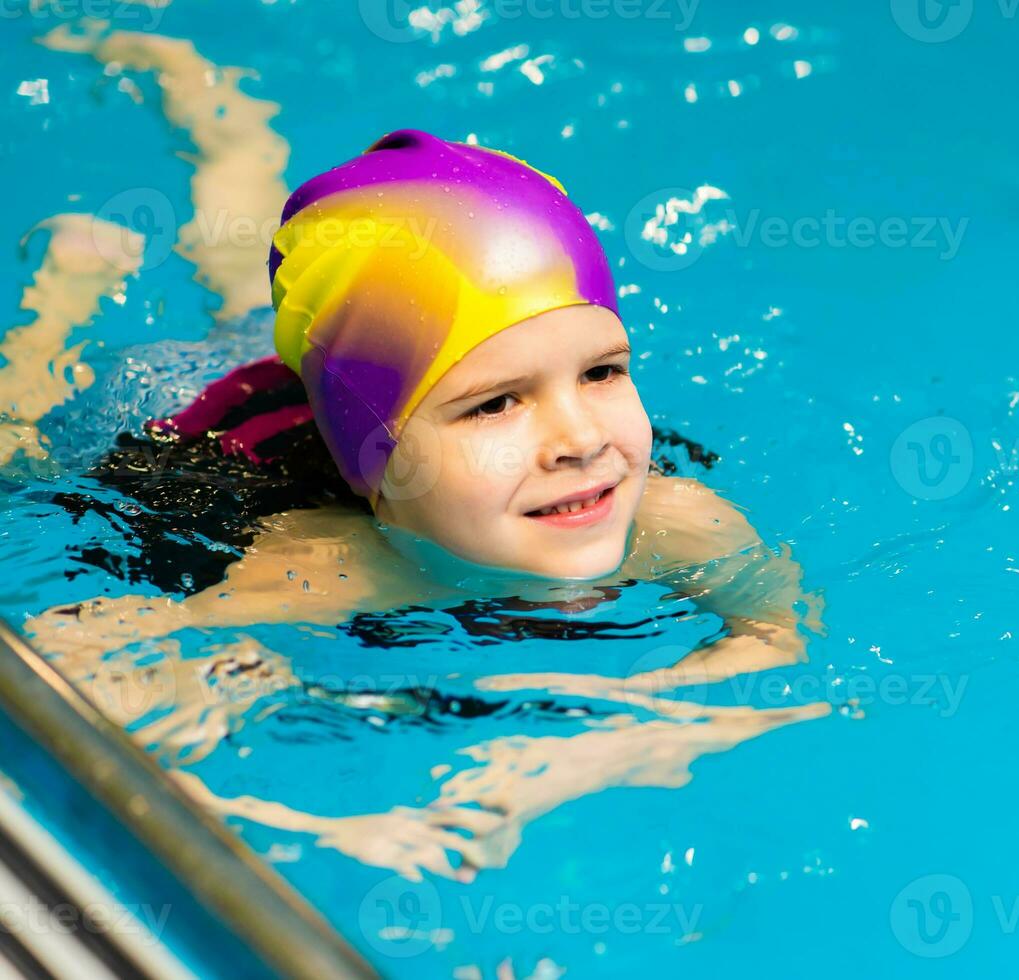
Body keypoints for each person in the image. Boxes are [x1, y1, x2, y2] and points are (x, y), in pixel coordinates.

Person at [23, 130, 828, 876]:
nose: (581, 440)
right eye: (494, 404)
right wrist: (313, 825)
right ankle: (64, 293)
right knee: (19, 434)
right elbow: (65, 677)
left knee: (256, 300)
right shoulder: (324, 568)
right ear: (379, 466)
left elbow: (781, 636)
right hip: (212, 440)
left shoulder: (678, 521)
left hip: (359, 369)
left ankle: (231, 155)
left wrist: (622, 738)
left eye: (602, 371)